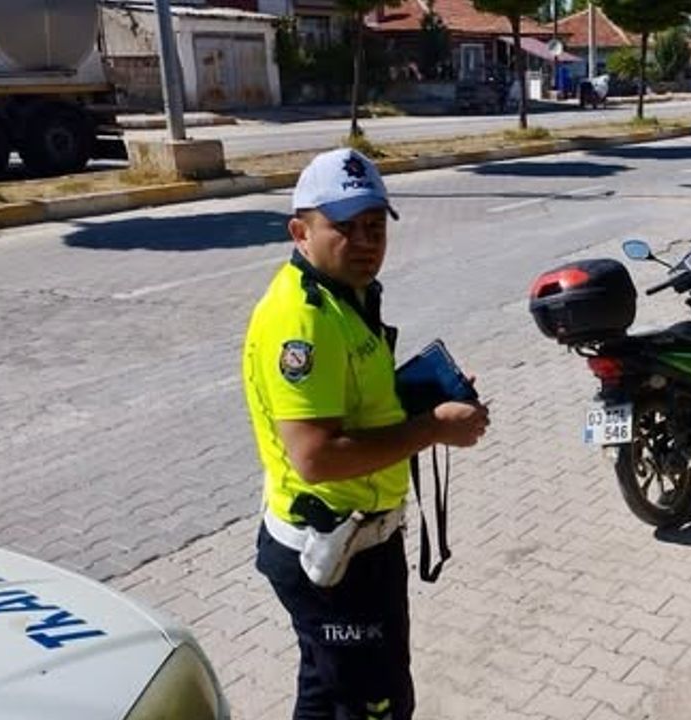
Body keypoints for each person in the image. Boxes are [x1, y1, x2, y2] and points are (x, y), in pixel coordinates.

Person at [242, 148, 489, 720]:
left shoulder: (347, 292)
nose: (365, 242)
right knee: (377, 705)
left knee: (326, 693)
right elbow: (316, 457)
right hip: (333, 556)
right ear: (300, 233)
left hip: (360, 541)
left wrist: (425, 400)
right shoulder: (301, 320)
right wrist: (432, 427)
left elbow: (356, 401)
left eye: (375, 227)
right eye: (344, 228)